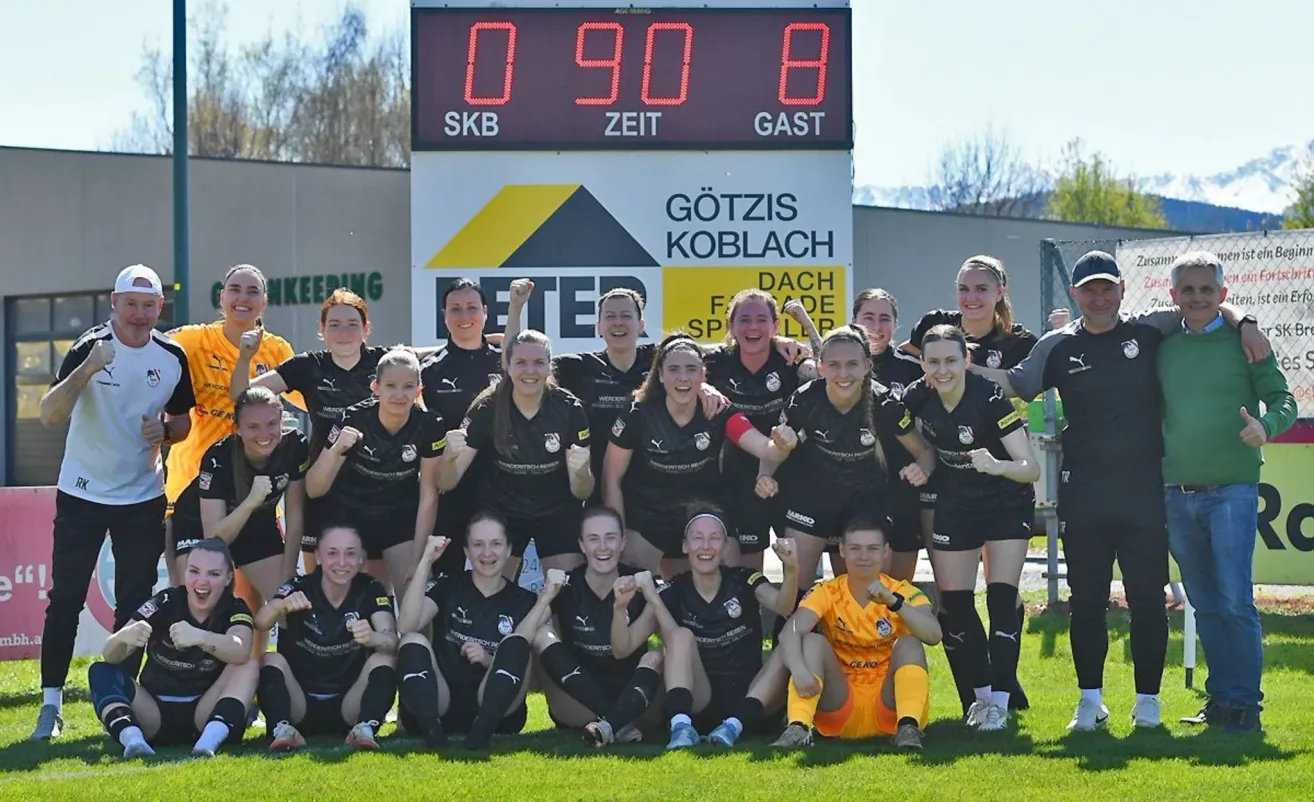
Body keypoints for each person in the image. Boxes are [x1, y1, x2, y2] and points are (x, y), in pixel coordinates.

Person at [973, 250, 1270, 731]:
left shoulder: (1149, 330)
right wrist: (953, 367)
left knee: (1148, 600)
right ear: (1075, 294)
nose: (1098, 297)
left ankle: (1147, 703)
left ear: (1122, 290)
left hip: (1145, 494)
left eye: (1107, 287)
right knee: (1086, 601)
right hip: (1084, 493)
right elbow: (1016, 384)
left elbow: (1206, 307)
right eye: (1088, 289)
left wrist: (1248, 321)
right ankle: (1090, 702)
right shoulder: (1057, 345)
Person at [32, 264, 196, 741]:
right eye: (131, 304)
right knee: (64, 600)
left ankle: (120, 699)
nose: (139, 315)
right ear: (114, 303)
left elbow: (183, 424)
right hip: (82, 492)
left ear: (160, 308)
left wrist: (164, 432)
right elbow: (48, 414)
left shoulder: (171, 356)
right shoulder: (90, 346)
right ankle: (51, 705)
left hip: (143, 497)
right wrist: (87, 369)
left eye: (149, 306)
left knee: (137, 605)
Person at [1158, 251, 1296, 733]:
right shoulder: (1162, 343)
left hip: (1233, 489)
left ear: (1224, 293)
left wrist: (1267, 426)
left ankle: (1245, 707)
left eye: (1207, 289)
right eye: (1188, 289)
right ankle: (1221, 701)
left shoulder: (1247, 343)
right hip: (1175, 490)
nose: (1198, 297)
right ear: (1172, 295)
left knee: (1235, 599)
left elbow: (1285, 400)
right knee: (1204, 600)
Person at [902, 325, 1041, 730]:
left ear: (966, 360)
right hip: (956, 502)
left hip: (1005, 501)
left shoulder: (990, 397)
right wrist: (924, 460)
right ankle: (979, 699)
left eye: (950, 360)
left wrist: (996, 465)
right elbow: (886, 412)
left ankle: (1000, 701)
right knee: (957, 606)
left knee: (1001, 601)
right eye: (933, 362)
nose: (942, 369)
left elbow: (1029, 468)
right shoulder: (918, 396)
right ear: (923, 365)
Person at [758, 325, 936, 588]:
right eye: (834, 365)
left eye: (852, 364)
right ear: (821, 367)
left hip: (866, 500)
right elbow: (774, 450)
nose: (843, 374)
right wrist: (765, 473)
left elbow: (925, 452)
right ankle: (798, 629)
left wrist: (923, 469)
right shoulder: (804, 399)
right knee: (795, 589)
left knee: (870, 592)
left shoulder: (884, 402)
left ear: (866, 365)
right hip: (813, 498)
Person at [603, 333, 792, 577]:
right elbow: (611, 478)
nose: (683, 377)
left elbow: (765, 449)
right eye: (674, 369)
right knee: (634, 588)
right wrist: (617, 535)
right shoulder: (637, 414)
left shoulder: (720, 410)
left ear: (703, 375)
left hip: (704, 515)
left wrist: (782, 445)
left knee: (730, 580)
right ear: (659, 375)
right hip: (649, 519)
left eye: (691, 369)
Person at [233, 290, 385, 566]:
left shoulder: (384, 363)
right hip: (321, 489)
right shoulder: (307, 366)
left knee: (374, 593)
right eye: (335, 324)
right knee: (318, 586)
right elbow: (243, 396)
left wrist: (487, 340)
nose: (344, 332)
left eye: (352, 324)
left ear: (366, 328)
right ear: (322, 329)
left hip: (374, 493)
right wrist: (245, 358)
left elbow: (430, 354)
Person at [623, 509, 798, 749]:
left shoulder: (744, 579)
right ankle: (682, 727)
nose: (706, 546)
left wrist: (791, 570)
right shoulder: (674, 590)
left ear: (725, 547)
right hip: (701, 703)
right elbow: (624, 647)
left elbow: (784, 605)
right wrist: (618, 607)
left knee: (785, 646)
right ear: (685, 546)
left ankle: (733, 727)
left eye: (714, 538)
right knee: (680, 636)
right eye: (697, 538)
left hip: (753, 699)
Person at [771, 517, 941, 750]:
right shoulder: (827, 590)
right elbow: (789, 632)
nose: (863, 556)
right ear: (841, 550)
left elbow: (934, 635)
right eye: (855, 548)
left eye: (872, 549)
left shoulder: (901, 591)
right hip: (840, 706)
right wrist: (800, 671)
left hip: (890, 708)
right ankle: (798, 727)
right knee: (811, 641)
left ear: (885, 552)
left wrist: (893, 603)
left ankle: (908, 729)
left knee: (910, 643)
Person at [790, 291, 925, 579]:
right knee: (852, 587)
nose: (876, 325)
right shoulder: (840, 360)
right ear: (855, 322)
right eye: (868, 318)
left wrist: (924, 465)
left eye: (884, 318)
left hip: (902, 489)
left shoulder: (913, 368)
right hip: (853, 494)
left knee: (895, 593)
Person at [439, 330, 594, 577]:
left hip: (556, 512)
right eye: (521, 362)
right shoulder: (486, 407)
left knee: (567, 595)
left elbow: (582, 491)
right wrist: (448, 457)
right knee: (494, 594)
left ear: (548, 366)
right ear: (508, 366)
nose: (529, 371)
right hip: (503, 513)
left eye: (538, 363)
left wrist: (582, 472)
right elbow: (447, 482)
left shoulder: (569, 408)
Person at [395, 512, 553, 749]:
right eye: (478, 545)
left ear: (509, 550)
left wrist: (490, 659)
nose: (487, 553)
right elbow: (406, 625)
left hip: (499, 714)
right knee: (412, 639)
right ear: (467, 552)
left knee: (517, 643)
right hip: (441, 704)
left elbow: (528, 680)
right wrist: (426, 560)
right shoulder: (449, 584)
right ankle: (432, 733)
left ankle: (480, 734)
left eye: (496, 544)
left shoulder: (526, 600)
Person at [86, 539, 257, 758]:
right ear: (185, 573)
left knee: (249, 666)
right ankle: (133, 741)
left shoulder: (235, 608)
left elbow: (241, 650)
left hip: (203, 714)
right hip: (153, 713)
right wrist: (122, 638)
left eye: (213, 574)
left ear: (228, 578)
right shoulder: (165, 601)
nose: (202, 582)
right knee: (101, 670)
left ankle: (208, 744)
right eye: (194, 571)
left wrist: (200, 637)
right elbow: (109, 654)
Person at [170, 386, 307, 655]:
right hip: (200, 528)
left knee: (291, 608)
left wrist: (287, 579)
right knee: (196, 604)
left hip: (257, 526)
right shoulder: (218, 458)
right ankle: (188, 679)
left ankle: (266, 674)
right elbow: (214, 539)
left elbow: (296, 515)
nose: (265, 434)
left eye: (272, 424)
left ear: (282, 420)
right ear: (238, 429)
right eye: (253, 427)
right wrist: (251, 501)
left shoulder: (294, 445)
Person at [306, 348, 447, 596]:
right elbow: (314, 489)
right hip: (350, 515)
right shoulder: (351, 419)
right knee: (352, 600)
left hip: (398, 517)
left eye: (407, 386)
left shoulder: (430, 424)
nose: (399, 394)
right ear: (375, 387)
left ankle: (414, 637)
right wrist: (336, 449)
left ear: (419, 390)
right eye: (391, 385)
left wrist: (418, 561)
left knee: (416, 589)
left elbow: (429, 495)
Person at [253, 525, 399, 751]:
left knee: (385, 659)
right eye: (332, 553)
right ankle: (281, 729)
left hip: (349, 704)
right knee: (269, 659)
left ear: (361, 558)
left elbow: (391, 641)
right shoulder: (298, 586)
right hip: (300, 702)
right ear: (318, 557)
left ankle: (364, 728)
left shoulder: (370, 588)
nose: (341, 562)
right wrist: (280, 606)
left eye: (350, 553)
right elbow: (261, 622)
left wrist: (373, 638)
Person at [703, 289, 815, 570]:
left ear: (775, 325)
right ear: (730, 326)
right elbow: (672, 350)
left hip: (792, 477)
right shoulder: (716, 361)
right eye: (745, 319)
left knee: (799, 573)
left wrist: (798, 335)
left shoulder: (792, 359)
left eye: (762, 320)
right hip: (738, 479)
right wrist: (701, 384)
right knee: (747, 576)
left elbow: (832, 368)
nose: (753, 327)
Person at [537, 506, 665, 747]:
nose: (603, 547)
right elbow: (528, 635)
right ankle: (618, 723)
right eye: (593, 539)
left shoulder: (641, 581)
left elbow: (628, 650)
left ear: (623, 542)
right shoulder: (567, 584)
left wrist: (644, 599)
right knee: (542, 635)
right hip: (581, 699)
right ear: (582, 545)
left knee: (656, 657)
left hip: (635, 696)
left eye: (611, 538)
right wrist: (545, 596)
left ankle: (609, 724)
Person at [420, 278, 505, 575]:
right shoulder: (428, 371)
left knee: (501, 584)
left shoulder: (508, 364)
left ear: (485, 312)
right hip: (449, 494)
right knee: (444, 585)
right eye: (455, 308)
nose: (464, 315)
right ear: (444, 315)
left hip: (502, 490)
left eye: (472, 307)